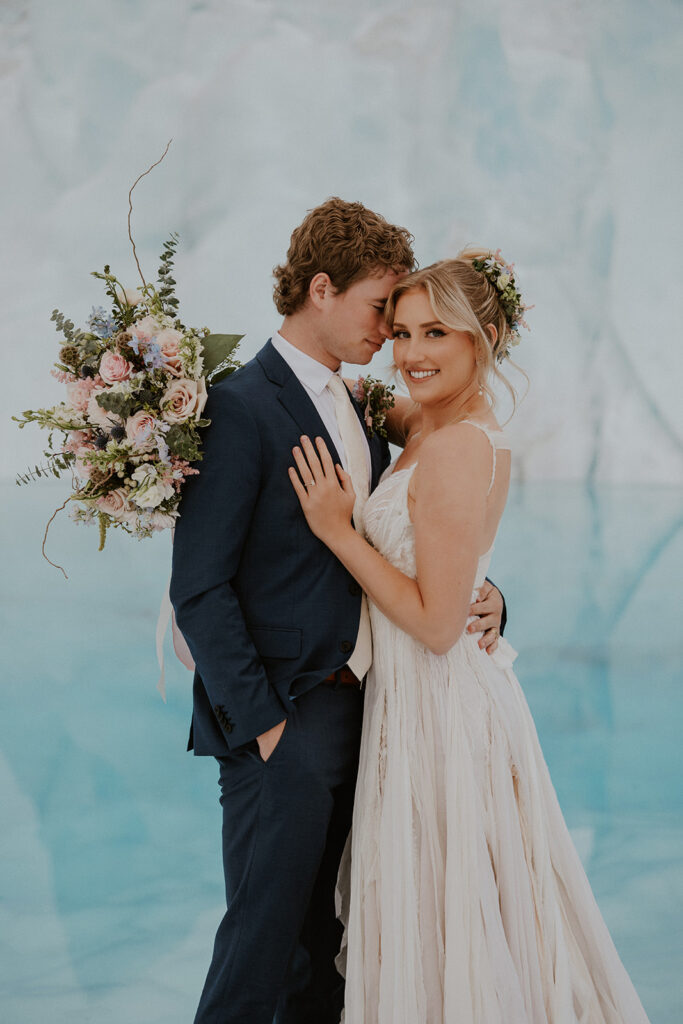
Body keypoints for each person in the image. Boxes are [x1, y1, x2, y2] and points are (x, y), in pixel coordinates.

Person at [290, 252, 651, 1023]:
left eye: (437, 334)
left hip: (440, 710)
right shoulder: (429, 422)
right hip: (424, 702)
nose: (412, 352)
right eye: (402, 331)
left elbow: (432, 622)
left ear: (483, 338)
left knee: (453, 915)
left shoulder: (455, 445)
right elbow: (332, 391)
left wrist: (337, 532)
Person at [169, 200, 506, 1024]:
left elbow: (420, 532)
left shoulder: (361, 408)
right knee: (259, 954)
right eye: (379, 310)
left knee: (331, 960)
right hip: (285, 719)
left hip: (378, 721)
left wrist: (489, 600)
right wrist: (264, 728)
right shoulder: (240, 406)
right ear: (320, 289)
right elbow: (198, 589)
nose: (390, 335)